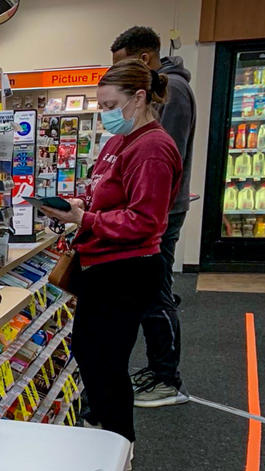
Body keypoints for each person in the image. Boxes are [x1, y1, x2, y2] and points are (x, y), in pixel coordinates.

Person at [41, 59, 182, 455]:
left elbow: (145, 221)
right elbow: (107, 194)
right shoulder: (122, 142)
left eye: (108, 105)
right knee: (90, 351)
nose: (104, 115)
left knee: (107, 360)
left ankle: (119, 445)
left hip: (126, 269)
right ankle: (106, 433)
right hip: (102, 265)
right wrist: (76, 205)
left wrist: (85, 217)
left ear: (139, 98)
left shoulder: (153, 148)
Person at [111, 26, 197, 408]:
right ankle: (158, 369)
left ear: (145, 59)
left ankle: (166, 378)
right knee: (150, 294)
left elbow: (163, 161)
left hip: (158, 214)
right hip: (155, 211)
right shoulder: (170, 91)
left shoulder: (173, 93)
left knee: (157, 295)